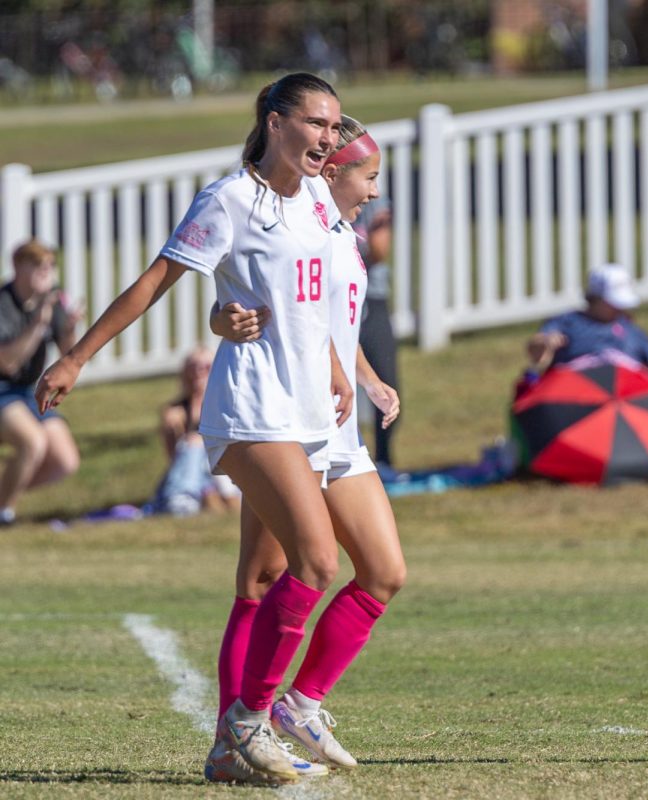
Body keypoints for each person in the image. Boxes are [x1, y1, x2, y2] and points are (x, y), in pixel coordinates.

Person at [37, 72, 354, 785]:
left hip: (304, 413)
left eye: (335, 128)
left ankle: (223, 749)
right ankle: (251, 720)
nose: (328, 139)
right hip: (249, 410)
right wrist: (77, 358)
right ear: (274, 122)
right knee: (319, 562)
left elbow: (309, 301)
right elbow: (155, 282)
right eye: (315, 123)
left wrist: (335, 366)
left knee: (260, 580)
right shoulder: (230, 199)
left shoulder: (315, 203)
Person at [209, 115, 405, 775]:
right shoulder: (296, 216)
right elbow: (256, 299)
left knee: (383, 572)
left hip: (340, 429)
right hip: (285, 422)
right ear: (334, 172)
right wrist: (222, 317)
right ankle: (231, 737)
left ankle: (300, 704)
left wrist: (370, 381)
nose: (375, 191)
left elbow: (330, 326)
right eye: (370, 175)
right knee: (260, 582)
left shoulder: (342, 235)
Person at [525, 263, 648, 408]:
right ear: (595, 298)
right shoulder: (568, 322)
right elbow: (535, 351)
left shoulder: (629, 330)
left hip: (626, 393)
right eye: (613, 303)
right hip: (577, 393)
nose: (619, 309)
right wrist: (544, 343)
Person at [0, 240, 81, 525]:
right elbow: (7, 362)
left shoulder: (51, 300)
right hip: (2, 391)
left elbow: (66, 353)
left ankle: (2, 497)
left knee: (64, 460)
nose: (45, 273)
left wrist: (70, 330)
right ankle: (4, 513)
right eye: (37, 265)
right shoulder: (4, 303)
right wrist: (37, 324)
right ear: (18, 267)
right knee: (32, 442)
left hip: (26, 392)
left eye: (49, 266)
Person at [154, 346, 241, 516]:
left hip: (224, 472)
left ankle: (189, 498)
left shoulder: (229, 404)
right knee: (193, 445)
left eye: (206, 367)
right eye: (193, 368)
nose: (199, 373)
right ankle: (196, 498)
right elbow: (174, 459)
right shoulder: (176, 410)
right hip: (193, 475)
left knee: (201, 442)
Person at [353, 198, 401, 473]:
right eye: (369, 179)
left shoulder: (372, 201)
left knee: (385, 382)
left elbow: (380, 250)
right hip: (339, 303)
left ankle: (383, 459)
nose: (373, 190)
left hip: (372, 301)